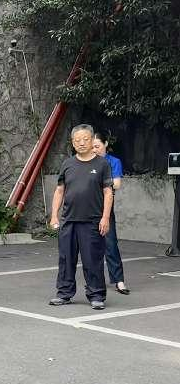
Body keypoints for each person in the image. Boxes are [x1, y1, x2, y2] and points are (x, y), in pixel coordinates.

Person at [49, 124, 113, 310]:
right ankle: (64, 293)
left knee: (92, 260)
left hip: (92, 221)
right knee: (66, 259)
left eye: (85, 139)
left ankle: (96, 295)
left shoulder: (102, 164)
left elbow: (108, 192)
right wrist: (54, 216)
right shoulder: (67, 164)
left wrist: (105, 218)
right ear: (72, 142)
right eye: (77, 140)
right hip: (69, 221)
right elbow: (59, 191)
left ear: (92, 140)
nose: (82, 143)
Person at [93, 131, 129, 294]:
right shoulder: (87, 161)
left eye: (97, 146)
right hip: (88, 206)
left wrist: (98, 184)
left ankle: (119, 280)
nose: (94, 150)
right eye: (92, 147)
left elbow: (117, 184)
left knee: (110, 243)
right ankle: (94, 281)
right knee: (90, 246)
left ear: (106, 144)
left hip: (105, 206)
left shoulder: (113, 162)